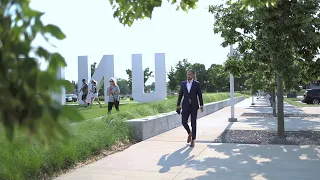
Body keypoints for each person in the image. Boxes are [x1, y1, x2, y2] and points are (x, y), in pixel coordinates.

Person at [176, 69, 204, 147]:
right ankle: (189, 133)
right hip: (185, 105)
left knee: (193, 123)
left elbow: (200, 95)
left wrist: (201, 105)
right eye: (188, 74)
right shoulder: (183, 83)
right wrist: (178, 105)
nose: (189, 76)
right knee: (184, 122)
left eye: (190, 74)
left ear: (193, 75)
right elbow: (180, 95)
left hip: (194, 106)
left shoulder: (196, 84)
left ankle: (193, 140)